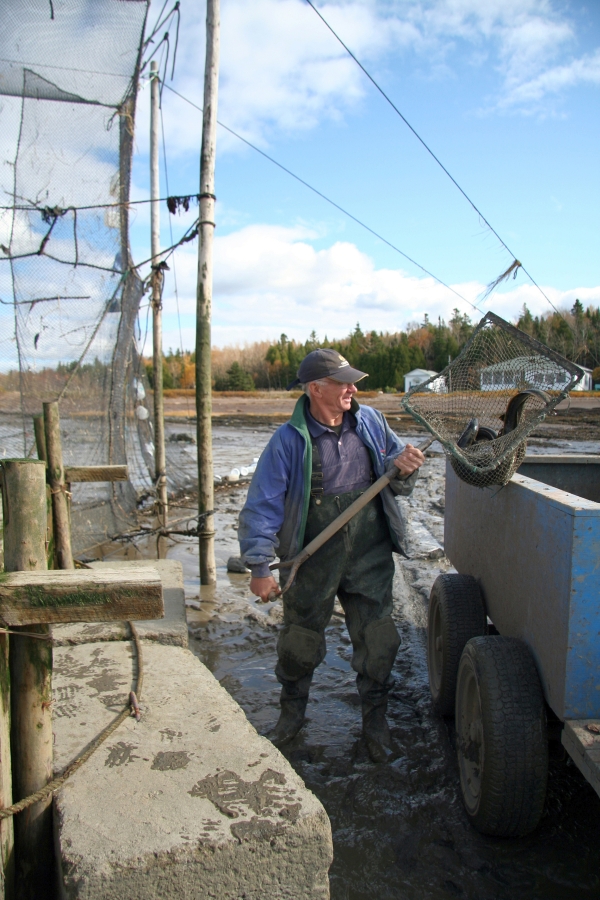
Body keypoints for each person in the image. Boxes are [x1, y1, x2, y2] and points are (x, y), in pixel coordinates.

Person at [238, 348, 424, 762]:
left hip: (369, 551)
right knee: (300, 642)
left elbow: (397, 476)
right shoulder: (288, 442)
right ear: (315, 389)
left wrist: (407, 467)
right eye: (343, 382)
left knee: (378, 639)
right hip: (312, 555)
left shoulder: (372, 421)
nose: (352, 389)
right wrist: (259, 567)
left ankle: (376, 724)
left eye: (352, 382)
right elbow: (262, 506)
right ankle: (291, 719)